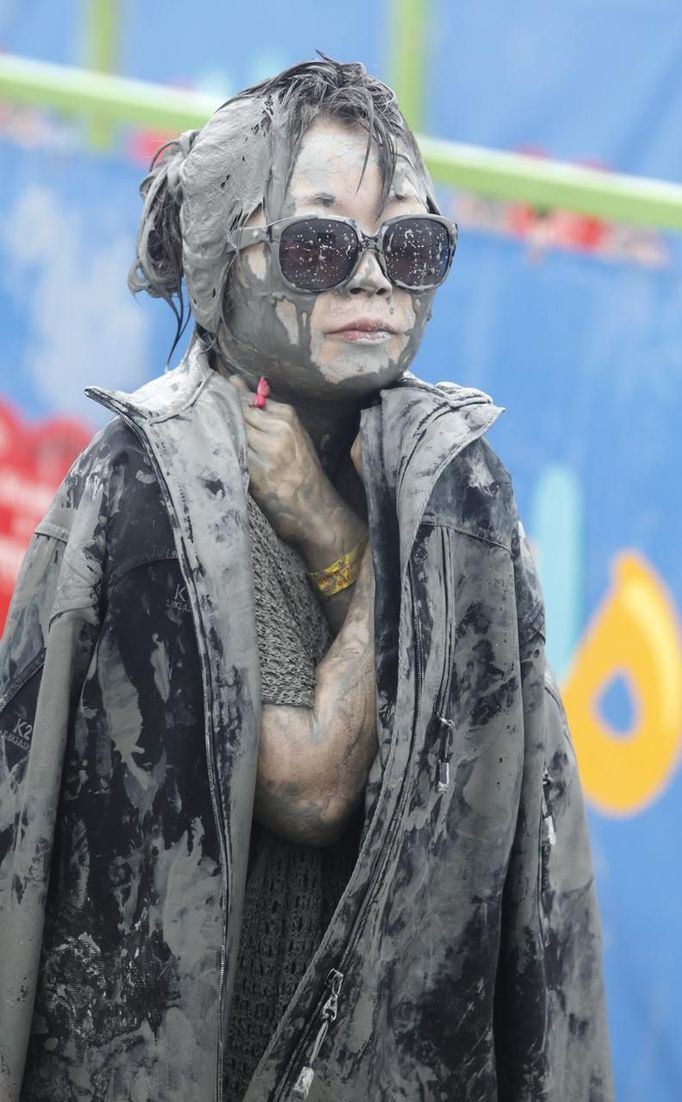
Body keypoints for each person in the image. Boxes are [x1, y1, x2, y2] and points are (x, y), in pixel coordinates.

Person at [0, 56, 612, 1101]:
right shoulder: (147, 491)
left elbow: (529, 873)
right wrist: (375, 550)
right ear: (226, 259)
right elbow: (309, 781)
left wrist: (337, 526)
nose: (371, 279)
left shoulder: (458, 490)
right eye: (320, 243)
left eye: (408, 245)